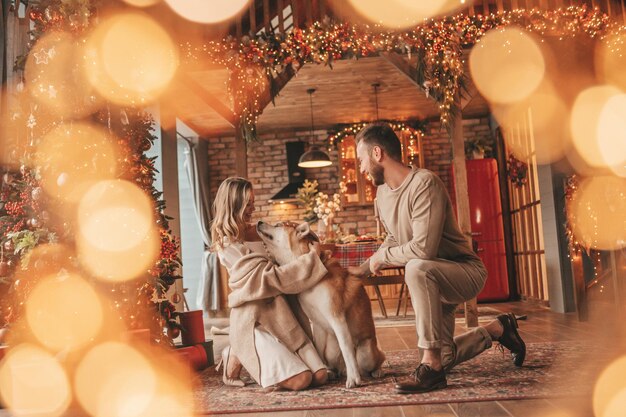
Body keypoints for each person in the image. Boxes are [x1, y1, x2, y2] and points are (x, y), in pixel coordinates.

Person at [347, 123, 526, 394]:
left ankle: (429, 366)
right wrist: (366, 267)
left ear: (376, 153)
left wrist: (381, 258)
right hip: (432, 281)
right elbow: (395, 238)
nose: (360, 168)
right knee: (447, 357)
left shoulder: (424, 183)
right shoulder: (382, 195)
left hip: (462, 272)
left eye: (361, 159)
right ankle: (498, 329)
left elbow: (422, 250)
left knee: (416, 267)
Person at [210, 177, 329, 391]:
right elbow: (269, 279)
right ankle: (236, 350)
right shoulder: (227, 245)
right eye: (248, 204)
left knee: (320, 376)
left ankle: (238, 352)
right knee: (301, 380)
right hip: (254, 318)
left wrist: (308, 240)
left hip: (282, 314)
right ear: (233, 204)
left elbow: (288, 253)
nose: (253, 208)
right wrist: (311, 260)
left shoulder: (261, 231)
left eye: (253, 202)